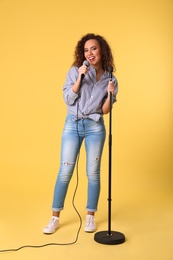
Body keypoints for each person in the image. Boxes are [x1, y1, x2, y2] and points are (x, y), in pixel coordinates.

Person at [43, 33, 118, 234]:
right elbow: (68, 99)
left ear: (102, 50)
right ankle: (54, 217)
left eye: (93, 48)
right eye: (86, 50)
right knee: (65, 170)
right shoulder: (76, 71)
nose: (90, 53)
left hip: (95, 126)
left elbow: (105, 110)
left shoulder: (111, 78)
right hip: (73, 124)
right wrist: (79, 77)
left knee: (93, 173)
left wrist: (110, 93)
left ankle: (90, 217)